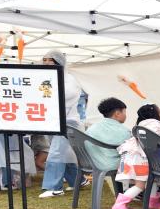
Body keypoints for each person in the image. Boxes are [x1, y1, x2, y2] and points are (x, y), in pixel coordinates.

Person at [39, 49, 86, 198]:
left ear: (58, 62)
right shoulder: (44, 78)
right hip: (52, 121)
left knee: (56, 152)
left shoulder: (69, 79)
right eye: (44, 60)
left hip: (67, 121)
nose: (46, 63)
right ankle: (78, 180)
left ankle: (54, 187)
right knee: (64, 152)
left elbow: (67, 96)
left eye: (50, 60)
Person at [85, 97, 132, 172]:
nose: (126, 115)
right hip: (111, 165)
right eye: (124, 112)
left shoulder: (92, 128)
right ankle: (137, 184)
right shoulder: (123, 131)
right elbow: (129, 151)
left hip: (91, 163)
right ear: (117, 113)